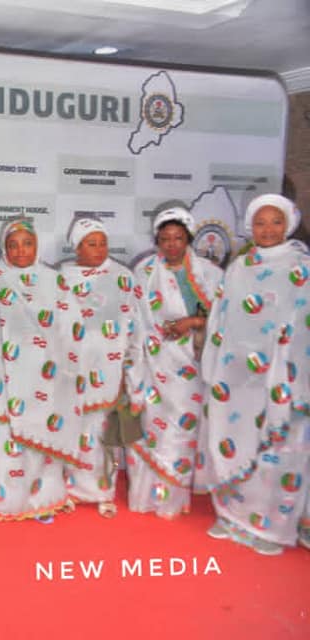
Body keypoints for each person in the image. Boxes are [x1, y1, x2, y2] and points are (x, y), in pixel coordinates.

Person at [202, 193, 310, 555]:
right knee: (234, 441)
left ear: (288, 224)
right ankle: (232, 517)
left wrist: (287, 364)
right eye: (260, 223)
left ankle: (270, 527)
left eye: (275, 221)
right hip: (237, 379)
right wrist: (216, 365)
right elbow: (221, 317)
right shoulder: (239, 266)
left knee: (277, 451)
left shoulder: (301, 267)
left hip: (281, 379)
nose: (267, 229)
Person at [0, 218, 84, 523]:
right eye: (13, 244)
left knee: (42, 446)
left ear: (37, 245)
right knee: (3, 447)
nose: (20, 251)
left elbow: (71, 329)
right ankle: (2, 503)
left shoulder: (53, 280)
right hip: (3, 381)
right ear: (4, 249)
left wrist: (67, 371)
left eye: (27, 243)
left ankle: (43, 502)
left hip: (45, 379)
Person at [128, 207, 222, 518]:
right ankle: (147, 496)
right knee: (152, 428)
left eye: (178, 238)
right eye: (165, 239)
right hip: (153, 363)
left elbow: (225, 319)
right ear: (157, 240)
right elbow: (135, 320)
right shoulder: (143, 272)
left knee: (179, 429)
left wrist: (194, 321)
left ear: (189, 239)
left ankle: (171, 499)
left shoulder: (210, 274)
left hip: (190, 366)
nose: (171, 245)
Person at [59, 217, 145, 518]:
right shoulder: (63, 278)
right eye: (90, 243)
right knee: (73, 431)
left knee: (103, 432)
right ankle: (69, 490)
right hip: (74, 371)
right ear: (77, 247)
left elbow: (134, 326)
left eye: (102, 243)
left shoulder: (123, 277)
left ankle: (103, 492)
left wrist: (129, 370)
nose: (98, 249)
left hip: (110, 372)